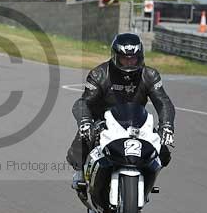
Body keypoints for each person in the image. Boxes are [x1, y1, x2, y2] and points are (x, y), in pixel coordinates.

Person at [66, 33, 175, 191]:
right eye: (125, 58)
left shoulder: (150, 75)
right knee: (83, 140)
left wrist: (167, 125)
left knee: (163, 151)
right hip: (103, 122)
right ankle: (81, 175)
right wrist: (85, 122)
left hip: (136, 122)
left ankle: (147, 180)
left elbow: (163, 102)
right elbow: (83, 102)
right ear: (115, 56)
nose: (129, 62)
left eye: (133, 58)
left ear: (140, 56)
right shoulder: (99, 74)